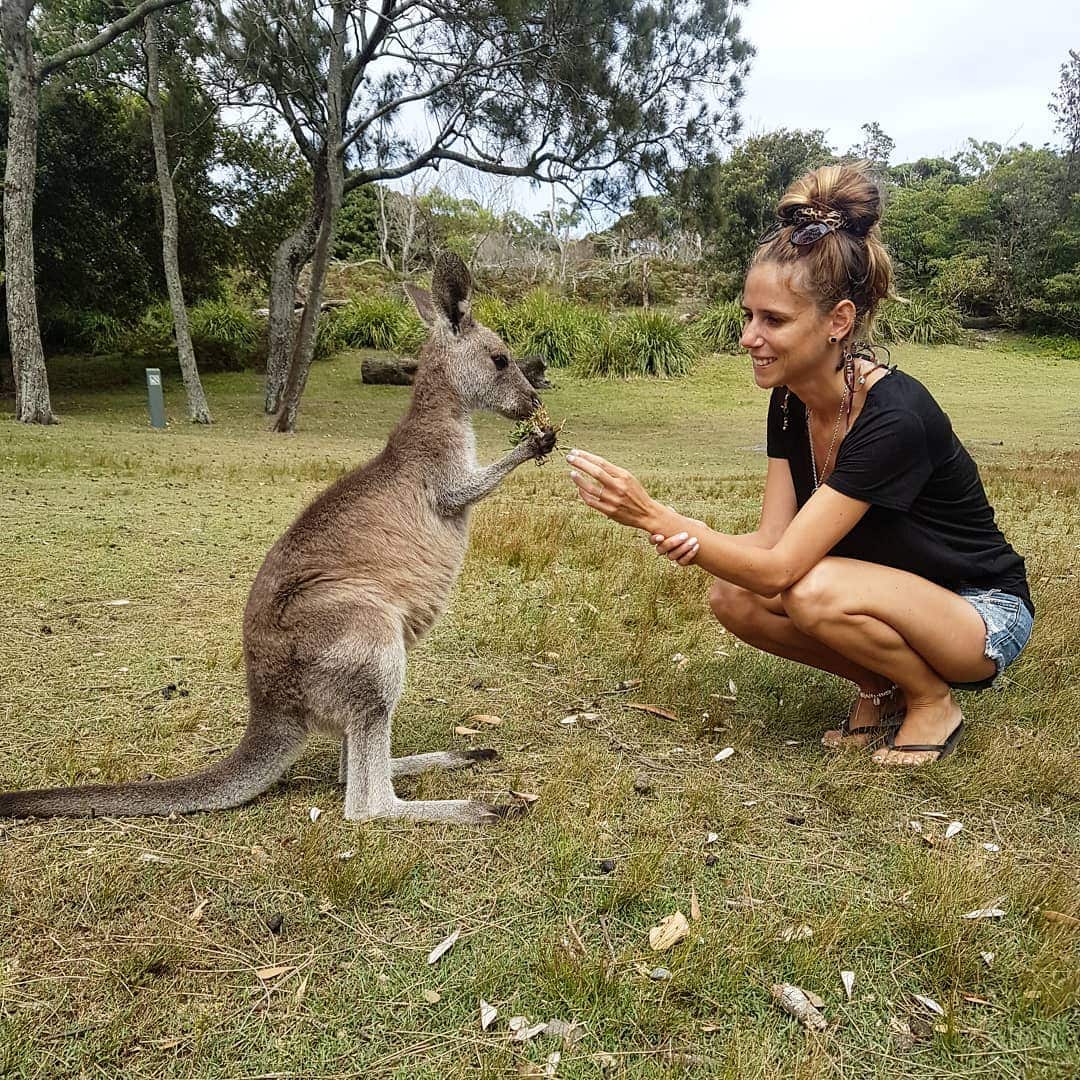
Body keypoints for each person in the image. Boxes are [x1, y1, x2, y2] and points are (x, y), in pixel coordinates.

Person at [565, 164, 1034, 767]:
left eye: (774, 320)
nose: (748, 337)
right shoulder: (789, 402)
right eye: (748, 315)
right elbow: (770, 541)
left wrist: (655, 515)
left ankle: (931, 701)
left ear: (839, 321)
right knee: (732, 596)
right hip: (889, 591)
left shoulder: (895, 417)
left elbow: (781, 569)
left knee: (810, 590)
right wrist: (687, 535)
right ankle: (882, 688)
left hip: (979, 612)